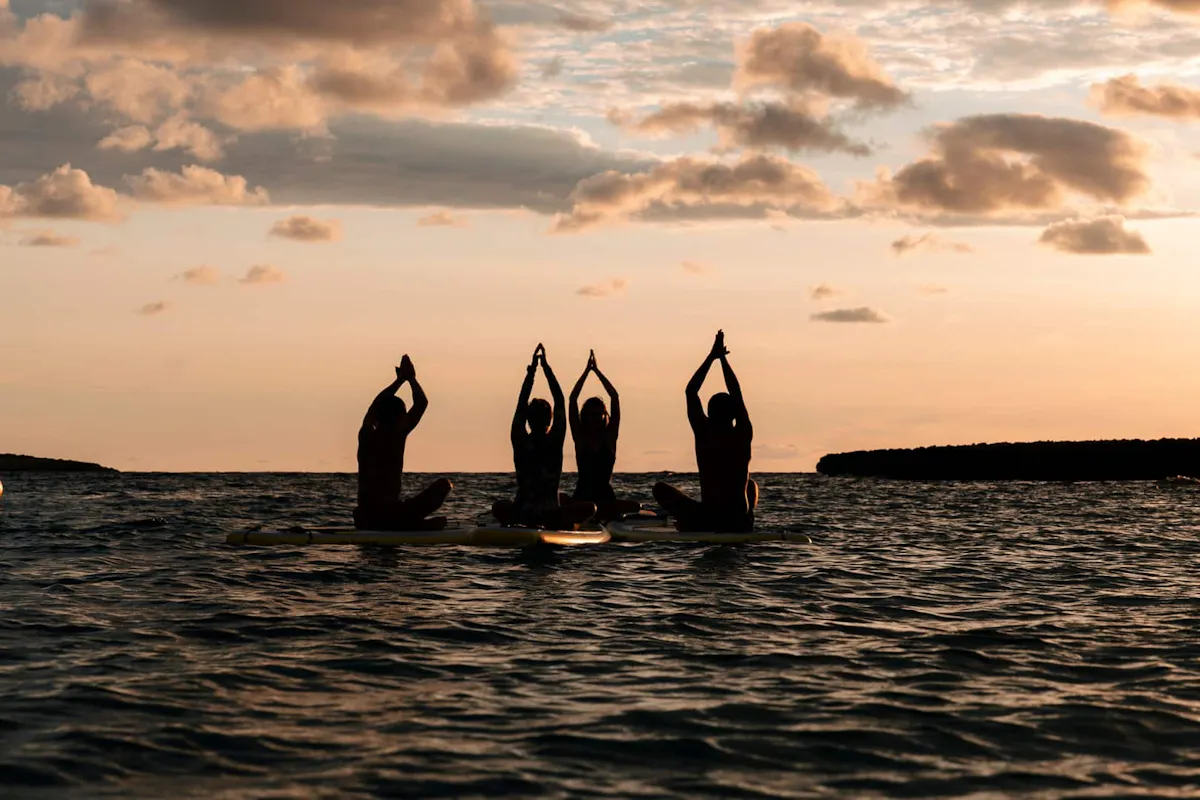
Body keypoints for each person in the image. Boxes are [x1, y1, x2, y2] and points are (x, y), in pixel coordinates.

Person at [654, 330, 758, 532]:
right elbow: (737, 394)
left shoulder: (704, 432)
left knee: (659, 489)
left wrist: (712, 357)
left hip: (710, 518)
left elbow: (691, 391)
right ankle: (749, 515)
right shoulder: (743, 433)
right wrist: (723, 361)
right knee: (751, 485)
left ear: (709, 414)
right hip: (740, 519)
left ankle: (689, 522)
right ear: (735, 414)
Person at [493, 344, 596, 529]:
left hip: (524, 513)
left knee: (498, 507)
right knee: (590, 508)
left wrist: (532, 372)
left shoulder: (521, 439)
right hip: (549, 515)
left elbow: (521, 403)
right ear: (550, 419)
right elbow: (560, 401)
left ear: (528, 419)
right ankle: (564, 523)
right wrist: (546, 368)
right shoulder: (554, 440)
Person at [354, 355, 452, 531]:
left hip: (365, 515)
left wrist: (399, 381)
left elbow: (374, 406)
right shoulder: (397, 435)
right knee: (444, 485)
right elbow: (421, 403)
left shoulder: (366, 434)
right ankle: (417, 526)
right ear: (400, 419)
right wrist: (411, 379)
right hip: (389, 516)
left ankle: (414, 523)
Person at [567, 350, 640, 522]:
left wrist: (597, 371)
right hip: (582, 498)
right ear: (585, 416)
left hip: (606, 498)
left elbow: (614, 397)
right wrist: (586, 372)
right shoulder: (580, 438)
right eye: (590, 414)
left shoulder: (609, 438)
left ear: (604, 416)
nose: (594, 418)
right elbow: (572, 400)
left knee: (636, 506)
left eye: (598, 414)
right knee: (574, 503)